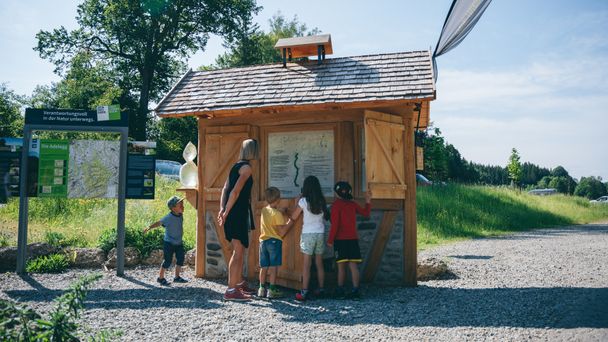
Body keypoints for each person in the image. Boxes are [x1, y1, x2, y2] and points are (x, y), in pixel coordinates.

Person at [218, 139, 259, 301]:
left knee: (239, 249)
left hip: (233, 212)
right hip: (237, 213)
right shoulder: (247, 168)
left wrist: (222, 208)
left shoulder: (235, 166)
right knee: (238, 251)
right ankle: (230, 290)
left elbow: (225, 189)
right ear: (253, 151)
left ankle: (239, 283)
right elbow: (234, 192)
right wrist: (226, 211)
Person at [327, 181, 371, 299]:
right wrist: (368, 201)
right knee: (353, 266)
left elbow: (335, 225)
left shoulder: (336, 205)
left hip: (340, 240)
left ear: (337, 193)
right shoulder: (353, 204)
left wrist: (330, 240)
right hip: (352, 240)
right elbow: (366, 213)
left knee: (341, 267)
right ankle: (355, 290)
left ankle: (340, 289)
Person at [290, 175, 330, 301]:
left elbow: (294, 216)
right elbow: (325, 217)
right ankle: (321, 289)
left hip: (308, 234)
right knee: (319, 263)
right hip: (320, 233)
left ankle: (304, 291)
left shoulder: (303, 201)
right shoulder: (322, 201)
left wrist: (296, 202)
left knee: (306, 265)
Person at [258, 187, 294, 298]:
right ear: (278, 199)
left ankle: (261, 289)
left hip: (263, 241)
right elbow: (281, 231)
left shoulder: (264, 210)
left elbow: (272, 213)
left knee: (263, 267)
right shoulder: (277, 215)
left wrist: (280, 211)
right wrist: (290, 221)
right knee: (273, 267)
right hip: (274, 242)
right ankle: (272, 290)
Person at [144, 195, 188, 286]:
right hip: (169, 243)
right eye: (180, 204)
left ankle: (177, 277)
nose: (183, 205)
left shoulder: (180, 215)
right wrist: (149, 227)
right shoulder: (168, 217)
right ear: (173, 208)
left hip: (178, 242)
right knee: (167, 261)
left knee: (180, 259)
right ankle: (160, 278)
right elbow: (159, 223)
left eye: (182, 204)